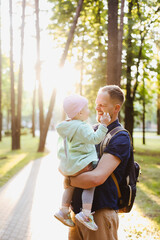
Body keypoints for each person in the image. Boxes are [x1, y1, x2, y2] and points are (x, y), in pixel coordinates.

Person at [68, 85, 131, 240]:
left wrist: (68, 180)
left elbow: (96, 178)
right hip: (77, 212)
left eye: (102, 105)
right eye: (97, 104)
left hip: (99, 215)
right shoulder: (92, 130)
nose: (97, 108)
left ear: (116, 108)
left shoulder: (120, 137)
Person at [54, 94, 111, 231]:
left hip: (71, 166)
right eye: (86, 108)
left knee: (70, 186)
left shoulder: (66, 126)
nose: (89, 111)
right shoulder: (82, 126)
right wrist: (103, 125)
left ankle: (63, 210)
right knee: (89, 185)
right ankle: (86, 214)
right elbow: (95, 139)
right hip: (84, 164)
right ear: (79, 112)